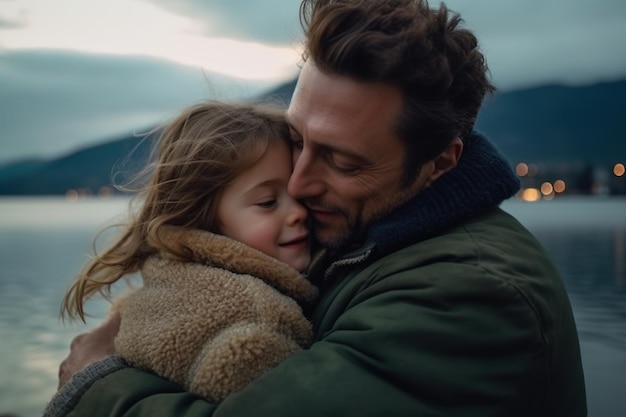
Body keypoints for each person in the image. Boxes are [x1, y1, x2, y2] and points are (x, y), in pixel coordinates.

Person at [46, 0, 587, 416]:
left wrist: (97, 381)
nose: (301, 184)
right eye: (298, 140)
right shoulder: (365, 237)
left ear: (441, 164)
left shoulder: (473, 295)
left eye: (343, 162)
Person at [47, 101, 317, 408]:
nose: (298, 212)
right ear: (204, 219)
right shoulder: (252, 330)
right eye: (268, 202)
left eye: (299, 195)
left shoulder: (164, 284)